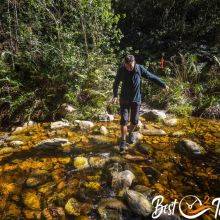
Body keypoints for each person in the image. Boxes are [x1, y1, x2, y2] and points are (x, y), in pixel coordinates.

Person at [111, 54, 169, 153]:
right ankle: (123, 141)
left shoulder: (139, 68)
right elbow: (116, 83)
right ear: (124, 64)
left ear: (134, 63)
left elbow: (151, 76)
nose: (129, 68)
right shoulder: (121, 69)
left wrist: (162, 84)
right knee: (124, 120)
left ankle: (129, 132)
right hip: (124, 99)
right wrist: (115, 96)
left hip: (136, 99)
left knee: (135, 121)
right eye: (127, 66)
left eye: (131, 66)